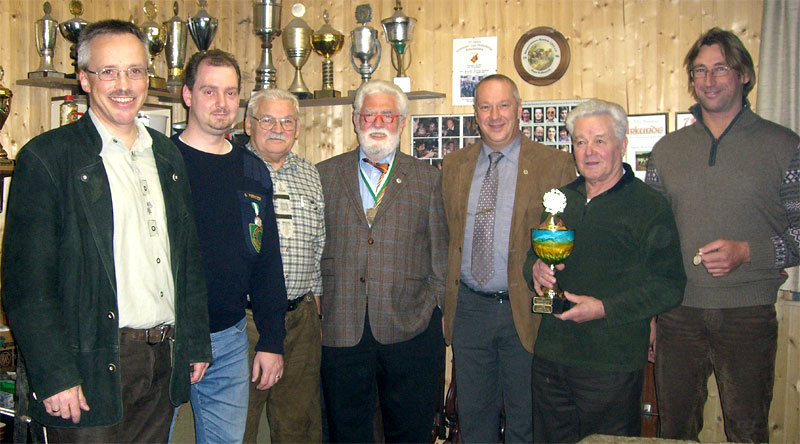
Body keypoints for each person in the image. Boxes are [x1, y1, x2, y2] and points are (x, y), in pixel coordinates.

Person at [0, 20, 212, 443]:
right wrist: (55, 374)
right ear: (84, 78)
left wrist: (194, 342)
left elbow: (187, 258)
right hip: (87, 367)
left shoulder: (167, 155)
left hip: (162, 360)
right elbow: (26, 286)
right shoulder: (47, 158)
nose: (124, 85)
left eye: (134, 71)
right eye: (108, 72)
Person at [646, 27, 800, 443]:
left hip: (747, 313)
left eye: (720, 68)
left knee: (747, 430)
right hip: (677, 313)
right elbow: (653, 243)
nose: (709, 80)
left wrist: (748, 252)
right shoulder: (666, 151)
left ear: (744, 75)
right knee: (674, 431)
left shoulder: (784, 145)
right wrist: (653, 315)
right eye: (699, 71)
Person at [525, 99, 685, 443]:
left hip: (611, 364)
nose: (589, 151)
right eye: (581, 141)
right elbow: (532, 259)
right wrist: (535, 270)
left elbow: (670, 285)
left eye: (600, 140)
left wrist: (604, 308)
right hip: (552, 358)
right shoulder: (559, 200)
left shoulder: (649, 205)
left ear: (622, 144)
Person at [441, 74, 575, 443]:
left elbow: (568, 237)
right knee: (473, 417)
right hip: (469, 309)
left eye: (503, 105)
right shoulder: (454, 166)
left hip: (526, 309)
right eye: (485, 107)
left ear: (519, 109)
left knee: (526, 417)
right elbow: (447, 236)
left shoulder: (555, 164)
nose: (495, 115)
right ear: (475, 114)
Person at [317, 80, 448, 443]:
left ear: (402, 122)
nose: (377, 122)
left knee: (410, 430)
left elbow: (440, 256)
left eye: (387, 115)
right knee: (346, 431)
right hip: (342, 327)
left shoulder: (428, 179)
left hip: (410, 326)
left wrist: (434, 308)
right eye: (369, 114)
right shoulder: (324, 175)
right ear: (355, 120)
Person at [172, 49, 287, 444]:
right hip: (169, 338)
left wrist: (271, 340)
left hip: (230, 337)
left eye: (231, 92)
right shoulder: (162, 162)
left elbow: (267, 261)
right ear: (188, 95)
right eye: (209, 91)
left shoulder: (252, 169)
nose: (222, 103)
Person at [242, 88, 325, 444]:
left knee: (298, 424)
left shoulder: (310, 174)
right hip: (245, 322)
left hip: (301, 318)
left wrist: (314, 311)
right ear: (248, 124)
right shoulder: (233, 170)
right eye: (268, 120)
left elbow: (318, 244)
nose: (278, 129)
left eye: (287, 121)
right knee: (239, 423)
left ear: (298, 128)